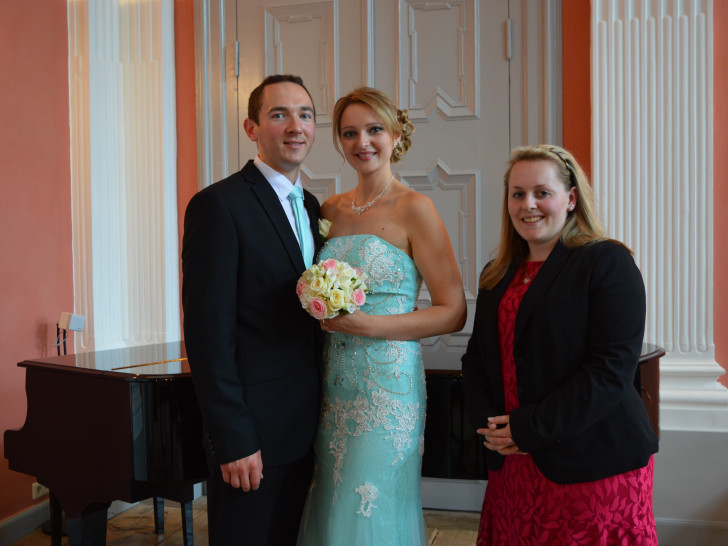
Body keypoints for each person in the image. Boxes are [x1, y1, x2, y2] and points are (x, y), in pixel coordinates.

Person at [461, 144, 659, 544]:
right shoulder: (496, 274)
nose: (528, 204)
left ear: (570, 199)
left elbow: (610, 371)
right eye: (518, 194)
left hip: (590, 460)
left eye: (542, 192)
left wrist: (529, 428)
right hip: (514, 461)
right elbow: (478, 358)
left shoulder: (606, 262)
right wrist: (493, 428)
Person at [296, 87, 467, 545]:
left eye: (374, 130)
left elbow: (453, 312)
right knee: (331, 493)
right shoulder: (329, 209)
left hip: (387, 389)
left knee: (368, 498)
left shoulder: (416, 208)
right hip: (332, 380)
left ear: (395, 134)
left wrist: (367, 325)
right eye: (349, 133)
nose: (362, 143)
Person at [181, 74, 323, 545]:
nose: (294, 126)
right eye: (279, 114)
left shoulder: (310, 205)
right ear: (251, 128)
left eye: (305, 114)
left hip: (306, 426)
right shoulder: (218, 205)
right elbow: (207, 334)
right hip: (253, 433)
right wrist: (233, 437)